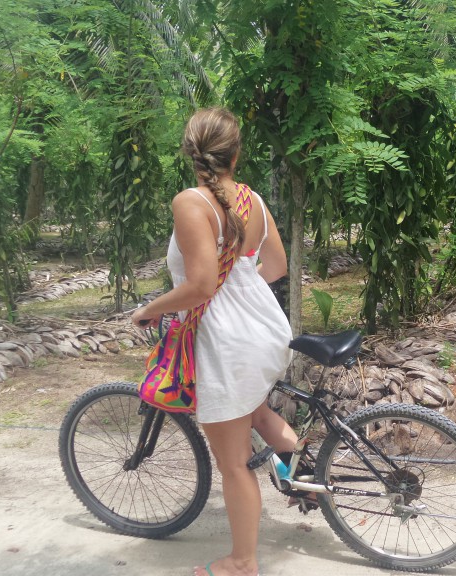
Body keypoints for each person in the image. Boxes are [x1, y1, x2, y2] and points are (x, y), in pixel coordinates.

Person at [131, 107, 299, 576]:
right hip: (265, 332)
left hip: (225, 344)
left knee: (234, 465)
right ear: (236, 153)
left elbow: (201, 285)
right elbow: (277, 269)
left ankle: (242, 562)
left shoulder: (191, 202)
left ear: (190, 151)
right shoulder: (253, 201)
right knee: (255, 412)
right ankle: (306, 474)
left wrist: (149, 309)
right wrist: (242, 294)